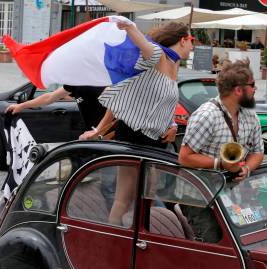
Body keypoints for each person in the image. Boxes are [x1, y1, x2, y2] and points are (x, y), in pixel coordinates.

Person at [83, 21, 194, 226]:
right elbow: (146, 48)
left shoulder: (174, 63)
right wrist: (130, 28)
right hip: (134, 133)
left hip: (156, 138)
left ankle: (140, 236)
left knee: (148, 195)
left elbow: (164, 102)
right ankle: (114, 237)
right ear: (183, 40)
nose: (193, 46)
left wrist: (172, 125)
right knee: (123, 197)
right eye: (192, 40)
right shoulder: (158, 55)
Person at [178, 59, 264, 242]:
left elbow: (258, 152)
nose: (255, 89)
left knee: (244, 240)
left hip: (232, 194)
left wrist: (247, 169)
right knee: (212, 242)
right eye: (253, 85)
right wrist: (220, 164)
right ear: (238, 90)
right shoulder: (206, 115)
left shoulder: (251, 116)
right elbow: (184, 158)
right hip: (199, 197)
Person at [5, 85, 106, 130]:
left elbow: (113, 108)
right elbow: (49, 97)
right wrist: (22, 105)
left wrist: (99, 130)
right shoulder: (74, 83)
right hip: (95, 134)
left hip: (108, 134)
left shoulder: (96, 83)